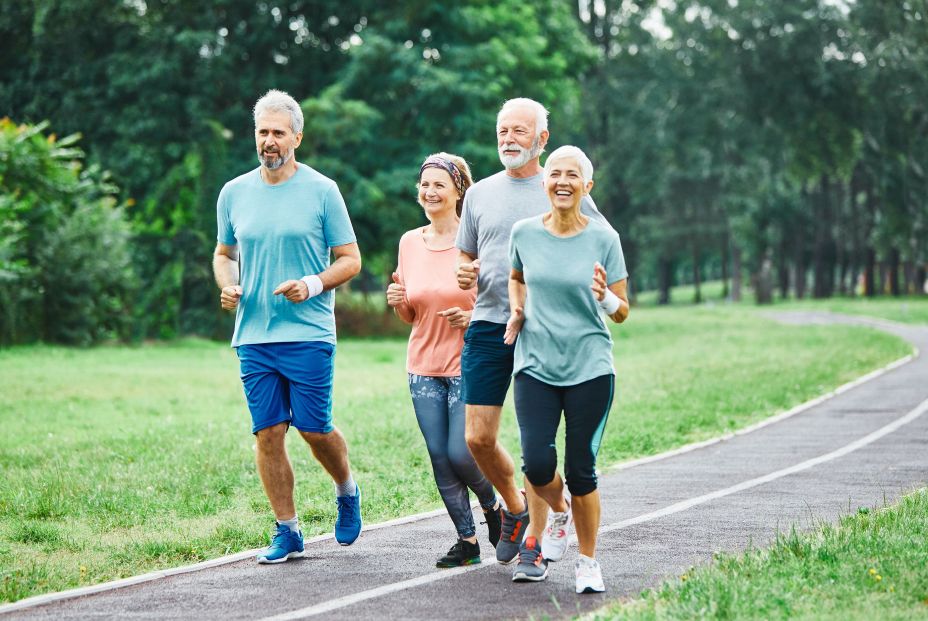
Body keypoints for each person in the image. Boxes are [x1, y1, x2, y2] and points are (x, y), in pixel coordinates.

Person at [455, 98, 613, 574]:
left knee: (534, 444)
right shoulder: (480, 194)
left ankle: (537, 544)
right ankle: (521, 509)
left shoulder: (564, 187)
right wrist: (466, 274)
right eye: (502, 131)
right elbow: (464, 256)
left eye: (519, 132)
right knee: (477, 438)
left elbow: (600, 246)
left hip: (545, 329)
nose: (508, 139)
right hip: (488, 323)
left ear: (541, 139)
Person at [213, 89, 363, 564]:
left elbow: (351, 260)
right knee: (268, 433)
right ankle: (287, 529)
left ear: (297, 136)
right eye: (263, 132)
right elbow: (223, 255)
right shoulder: (233, 192)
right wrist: (228, 286)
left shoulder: (323, 190)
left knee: (314, 430)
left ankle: (346, 488)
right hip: (254, 334)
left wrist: (313, 284)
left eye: (279, 132)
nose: (270, 141)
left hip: (308, 332)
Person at [504, 145, 629, 593]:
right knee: (537, 463)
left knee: (581, 471)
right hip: (535, 363)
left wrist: (605, 298)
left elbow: (623, 311)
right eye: (554, 173)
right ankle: (560, 513)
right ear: (544, 183)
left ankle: (588, 561)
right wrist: (516, 310)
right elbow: (516, 277)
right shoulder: (524, 232)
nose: (562, 181)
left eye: (572, 175)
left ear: (586, 187)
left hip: (590, 367)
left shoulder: (603, 239)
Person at [386, 153, 502, 568]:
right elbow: (411, 314)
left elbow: (498, 303)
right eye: (424, 185)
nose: (430, 191)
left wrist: (471, 318)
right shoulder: (408, 243)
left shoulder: (475, 244)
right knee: (439, 455)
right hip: (422, 365)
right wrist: (398, 303)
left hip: (468, 362)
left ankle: (493, 508)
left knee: (461, 452)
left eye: (439, 184)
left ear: (459, 191)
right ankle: (467, 541)